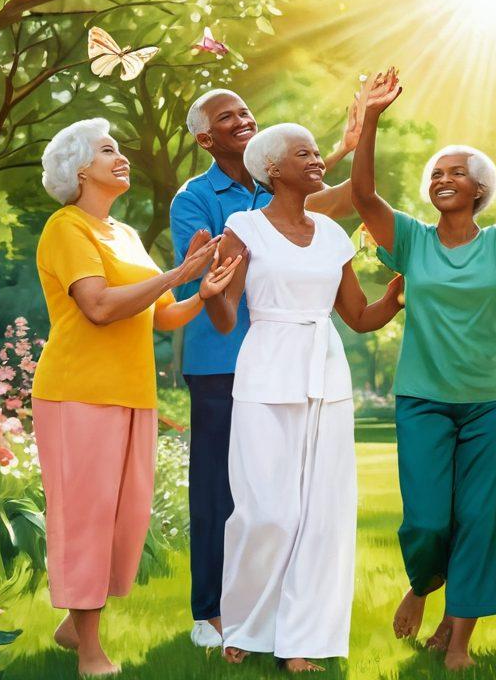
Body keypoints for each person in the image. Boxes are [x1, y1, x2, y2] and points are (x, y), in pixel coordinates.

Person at [351, 68, 496, 671]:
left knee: (481, 517)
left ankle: (458, 640)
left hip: (489, 403)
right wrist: (370, 117)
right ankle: (424, 583)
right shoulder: (412, 240)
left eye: (456, 172)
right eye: (436, 173)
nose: (442, 179)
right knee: (425, 519)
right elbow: (364, 197)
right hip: (422, 397)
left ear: (479, 189)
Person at [32, 118, 239, 676]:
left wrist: (203, 290)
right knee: (87, 517)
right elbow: (98, 307)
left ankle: (73, 625)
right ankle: (91, 651)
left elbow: (160, 313)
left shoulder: (123, 235)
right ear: (79, 169)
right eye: (107, 150)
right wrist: (177, 273)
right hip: (77, 393)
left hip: (132, 394)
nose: (120, 156)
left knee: (124, 520)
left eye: (119, 148)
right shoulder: (65, 228)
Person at [205, 123, 403, 672]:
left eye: (318, 152)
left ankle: (304, 641)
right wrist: (210, 294)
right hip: (266, 371)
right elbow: (226, 317)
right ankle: (244, 621)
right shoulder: (242, 227)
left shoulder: (335, 236)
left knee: (322, 517)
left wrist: (397, 295)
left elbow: (359, 318)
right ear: (272, 169)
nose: (318, 159)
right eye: (304, 153)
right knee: (266, 511)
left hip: (326, 376)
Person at [170, 88, 361, 647]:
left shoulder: (271, 189)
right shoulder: (195, 197)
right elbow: (212, 262)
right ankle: (211, 613)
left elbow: (305, 219)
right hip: (221, 360)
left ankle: (276, 615)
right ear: (205, 138)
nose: (243, 120)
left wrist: (347, 149)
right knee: (220, 493)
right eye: (227, 117)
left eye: (246, 112)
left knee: (287, 500)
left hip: (293, 361)